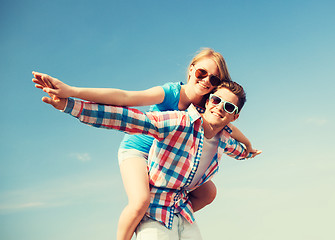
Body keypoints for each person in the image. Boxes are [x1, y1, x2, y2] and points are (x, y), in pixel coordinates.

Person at [33, 48, 260, 240]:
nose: (206, 81)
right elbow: (124, 99)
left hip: (168, 159)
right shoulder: (171, 92)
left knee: (208, 192)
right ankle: (138, 227)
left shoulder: (209, 104)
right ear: (191, 69)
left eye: (214, 79)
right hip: (140, 148)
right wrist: (71, 93)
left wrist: (247, 144)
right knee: (140, 201)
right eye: (202, 72)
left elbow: (226, 125)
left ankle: (169, 214)